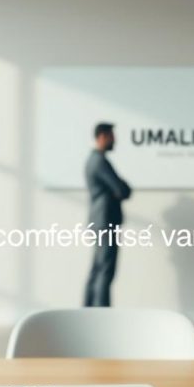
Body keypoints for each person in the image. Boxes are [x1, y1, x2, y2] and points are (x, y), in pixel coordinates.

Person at [83, 122, 131, 307]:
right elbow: (122, 189)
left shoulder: (93, 160)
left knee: (97, 268)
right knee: (105, 270)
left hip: (100, 220)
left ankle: (87, 310)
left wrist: (119, 189)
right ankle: (102, 314)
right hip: (105, 221)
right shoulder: (99, 162)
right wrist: (119, 187)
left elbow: (120, 190)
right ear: (102, 136)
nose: (114, 140)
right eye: (112, 136)